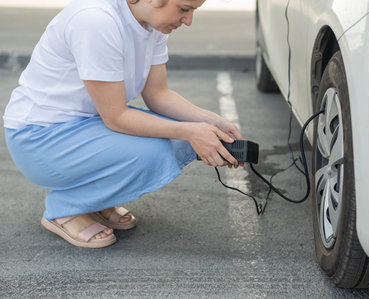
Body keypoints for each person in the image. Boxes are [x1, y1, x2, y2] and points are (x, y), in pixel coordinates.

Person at [2, 0, 244, 248]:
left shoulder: (152, 23)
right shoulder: (96, 21)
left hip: (87, 125)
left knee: (184, 138)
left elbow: (158, 95)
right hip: (40, 138)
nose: (189, 21)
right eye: (184, 9)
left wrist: (212, 121)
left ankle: (94, 202)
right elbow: (116, 116)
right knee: (160, 149)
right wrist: (189, 131)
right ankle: (66, 209)